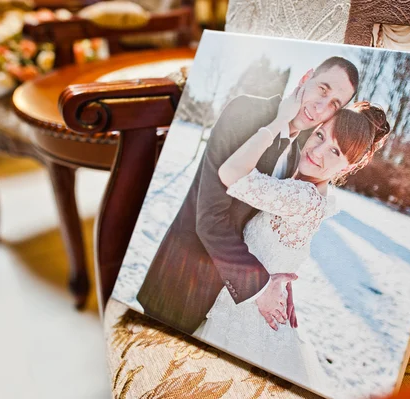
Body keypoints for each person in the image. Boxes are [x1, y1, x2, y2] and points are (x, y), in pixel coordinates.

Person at [136, 57, 359, 334]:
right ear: (306, 78)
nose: (320, 107)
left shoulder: (299, 152)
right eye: (322, 90)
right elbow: (210, 219)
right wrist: (262, 287)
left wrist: (278, 284)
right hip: (182, 284)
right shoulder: (246, 111)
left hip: (228, 302)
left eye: (334, 104)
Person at [194, 90, 391, 385]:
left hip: (246, 316)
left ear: (349, 167)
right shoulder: (305, 186)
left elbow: (233, 174)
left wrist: (277, 122)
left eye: (336, 152)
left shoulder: (303, 197)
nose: (318, 151)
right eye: (321, 136)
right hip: (250, 302)